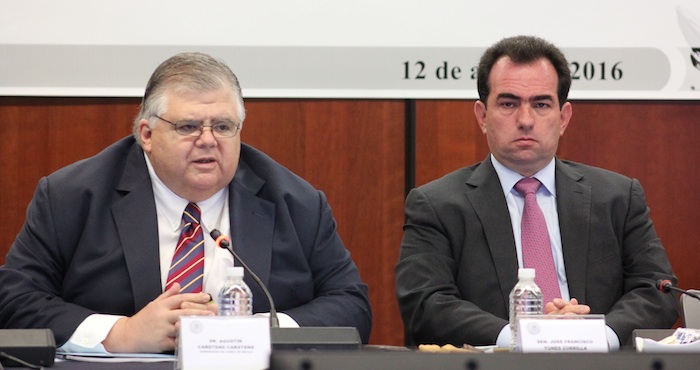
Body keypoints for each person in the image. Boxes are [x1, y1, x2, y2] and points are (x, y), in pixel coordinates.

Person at [0, 52, 372, 353]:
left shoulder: (295, 201)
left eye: (224, 127)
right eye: (189, 126)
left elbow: (351, 306)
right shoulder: (73, 196)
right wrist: (120, 333)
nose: (209, 140)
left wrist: (264, 332)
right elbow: (15, 300)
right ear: (146, 134)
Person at [395, 35, 677, 350]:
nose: (526, 120)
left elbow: (657, 291)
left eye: (541, 104)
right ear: (482, 116)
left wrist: (597, 337)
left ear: (564, 117)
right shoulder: (437, 205)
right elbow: (425, 304)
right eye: (508, 103)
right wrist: (522, 338)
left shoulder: (617, 198)